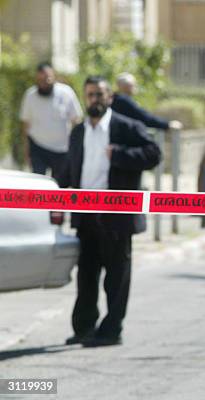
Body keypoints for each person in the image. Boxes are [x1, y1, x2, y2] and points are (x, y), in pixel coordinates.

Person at [59, 76, 161, 347]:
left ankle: (111, 330)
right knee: (87, 276)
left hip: (117, 217)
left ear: (110, 98)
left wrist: (120, 155)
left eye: (100, 94)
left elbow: (153, 154)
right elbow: (71, 168)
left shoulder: (126, 127)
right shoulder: (79, 131)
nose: (95, 99)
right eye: (90, 94)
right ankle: (84, 328)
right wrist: (54, 193)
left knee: (116, 277)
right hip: (86, 215)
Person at [20, 62, 82, 178]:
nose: (43, 83)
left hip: (62, 149)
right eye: (40, 79)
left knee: (59, 185)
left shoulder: (66, 93)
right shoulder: (30, 96)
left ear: (54, 77)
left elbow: (76, 119)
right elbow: (25, 124)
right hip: (38, 147)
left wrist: (75, 146)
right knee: (38, 184)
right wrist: (26, 151)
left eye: (46, 79)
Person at [111, 72, 183, 130]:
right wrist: (167, 124)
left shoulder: (114, 99)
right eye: (133, 84)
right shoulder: (123, 100)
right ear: (125, 86)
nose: (135, 86)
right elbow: (144, 117)